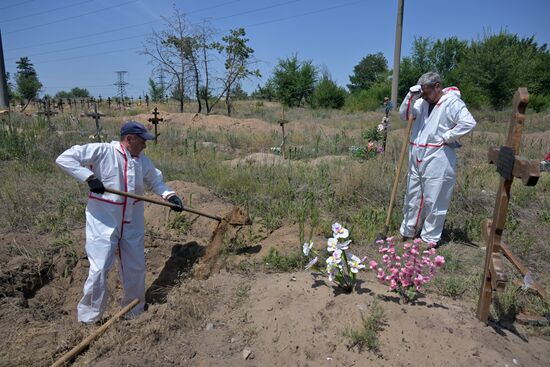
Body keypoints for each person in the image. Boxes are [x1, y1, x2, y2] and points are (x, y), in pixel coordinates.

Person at [56, 121, 184, 324]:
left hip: (132, 221)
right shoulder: (102, 151)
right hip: (103, 220)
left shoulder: (142, 161)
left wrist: (170, 196)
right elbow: (65, 158)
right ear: (130, 139)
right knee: (99, 269)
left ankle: (134, 312)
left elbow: (156, 182)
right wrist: (89, 178)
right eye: (143, 140)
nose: (145, 145)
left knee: (135, 267)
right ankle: (89, 319)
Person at [398, 72, 476, 245]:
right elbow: (404, 115)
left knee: (434, 198)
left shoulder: (452, 102)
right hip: (416, 152)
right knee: (413, 194)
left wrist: (448, 136)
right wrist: (410, 96)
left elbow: (468, 122)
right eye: (422, 93)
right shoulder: (421, 102)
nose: (424, 96)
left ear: (437, 87)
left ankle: (428, 239)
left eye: (426, 92)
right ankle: (408, 231)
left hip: (438, 155)